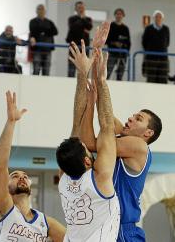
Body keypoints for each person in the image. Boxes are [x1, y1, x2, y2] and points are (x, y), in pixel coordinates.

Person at [80, 69, 162, 240]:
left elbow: (100, 129)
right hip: (104, 226)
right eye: (133, 115)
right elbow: (94, 134)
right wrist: (96, 65)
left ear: (148, 133)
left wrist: (102, 80)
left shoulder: (139, 146)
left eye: (138, 118)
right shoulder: (123, 138)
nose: (131, 118)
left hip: (122, 231)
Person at [56, 22, 120, 241]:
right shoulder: (98, 178)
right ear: (86, 161)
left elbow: (80, 124)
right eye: (86, 148)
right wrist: (98, 78)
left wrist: (84, 74)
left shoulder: (64, 180)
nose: (86, 143)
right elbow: (107, 126)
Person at [0, 91, 65, 242]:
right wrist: (11, 122)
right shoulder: (3, 207)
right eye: (15, 176)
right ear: (7, 184)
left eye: (25, 176)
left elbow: (73, 238)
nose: (21, 177)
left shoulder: (45, 223)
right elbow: (0, 165)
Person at [29, 4, 58, 76]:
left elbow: (55, 32)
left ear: (45, 11)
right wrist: (46, 30)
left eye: (42, 9)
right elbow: (33, 30)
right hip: (37, 49)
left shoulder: (49, 22)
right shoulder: (32, 21)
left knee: (46, 70)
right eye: (39, 9)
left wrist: (43, 31)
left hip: (47, 49)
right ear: (36, 11)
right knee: (36, 69)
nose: (41, 11)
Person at [66, 1, 93, 77]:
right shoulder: (71, 19)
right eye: (79, 7)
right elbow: (73, 28)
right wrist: (82, 25)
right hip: (73, 46)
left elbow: (89, 27)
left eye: (82, 7)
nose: (81, 9)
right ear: (75, 9)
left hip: (84, 47)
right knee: (71, 68)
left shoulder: (88, 19)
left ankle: (84, 85)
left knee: (84, 68)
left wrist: (82, 19)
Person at [142, 10, 170, 83]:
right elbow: (144, 42)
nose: (158, 18)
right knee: (151, 79)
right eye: (156, 17)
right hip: (151, 58)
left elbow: (167, 43)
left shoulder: (166, 29)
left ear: (162, 18)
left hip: (163, 58)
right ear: (154, 18)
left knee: (163, 79)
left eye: (160, 17)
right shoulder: (148, 28)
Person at [106, 8, 131, 80]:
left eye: (120, 14)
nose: (119, 16)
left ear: (123, 16)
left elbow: (128, 42)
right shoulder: (111, 26)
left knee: (120, 74)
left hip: (122, 55)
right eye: (117, 14)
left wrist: (126, 51)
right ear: (115, 15)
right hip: (112, 53)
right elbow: (106, 39)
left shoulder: (125, 28)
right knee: (108, 72)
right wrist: (114, 43)